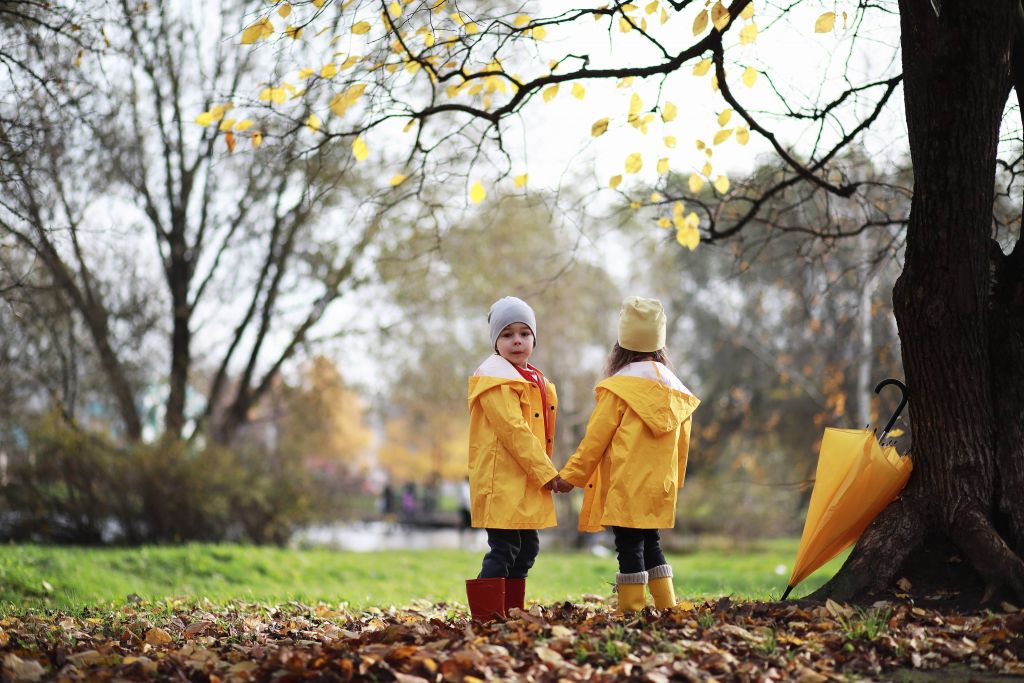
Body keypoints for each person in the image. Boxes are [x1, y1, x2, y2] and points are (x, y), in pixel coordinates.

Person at [559, 296, 699, 613]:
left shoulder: (618, 389)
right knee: (651, 542)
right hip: (658, 486)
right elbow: (682, 446)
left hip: (626, 485)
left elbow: (594, 440)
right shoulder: (676, 391)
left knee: (628, 547)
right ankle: (667, 607)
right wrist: (674, 481)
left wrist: (571, 476)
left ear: (621, 344)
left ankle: (632, 612)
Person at [465, 296, 571, 620]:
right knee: (505, 549)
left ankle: (510, 612)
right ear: (496, 342)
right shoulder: (496, 379)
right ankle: (486, 618)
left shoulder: (534, 380)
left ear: (533, 339)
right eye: (507, 334)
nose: (516, 341)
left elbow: (539, 434)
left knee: (527, 549)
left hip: (525, 480)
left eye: (524, 334)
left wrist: (542, 472)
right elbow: (514, 431)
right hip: (502, 483)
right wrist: (548, 472)